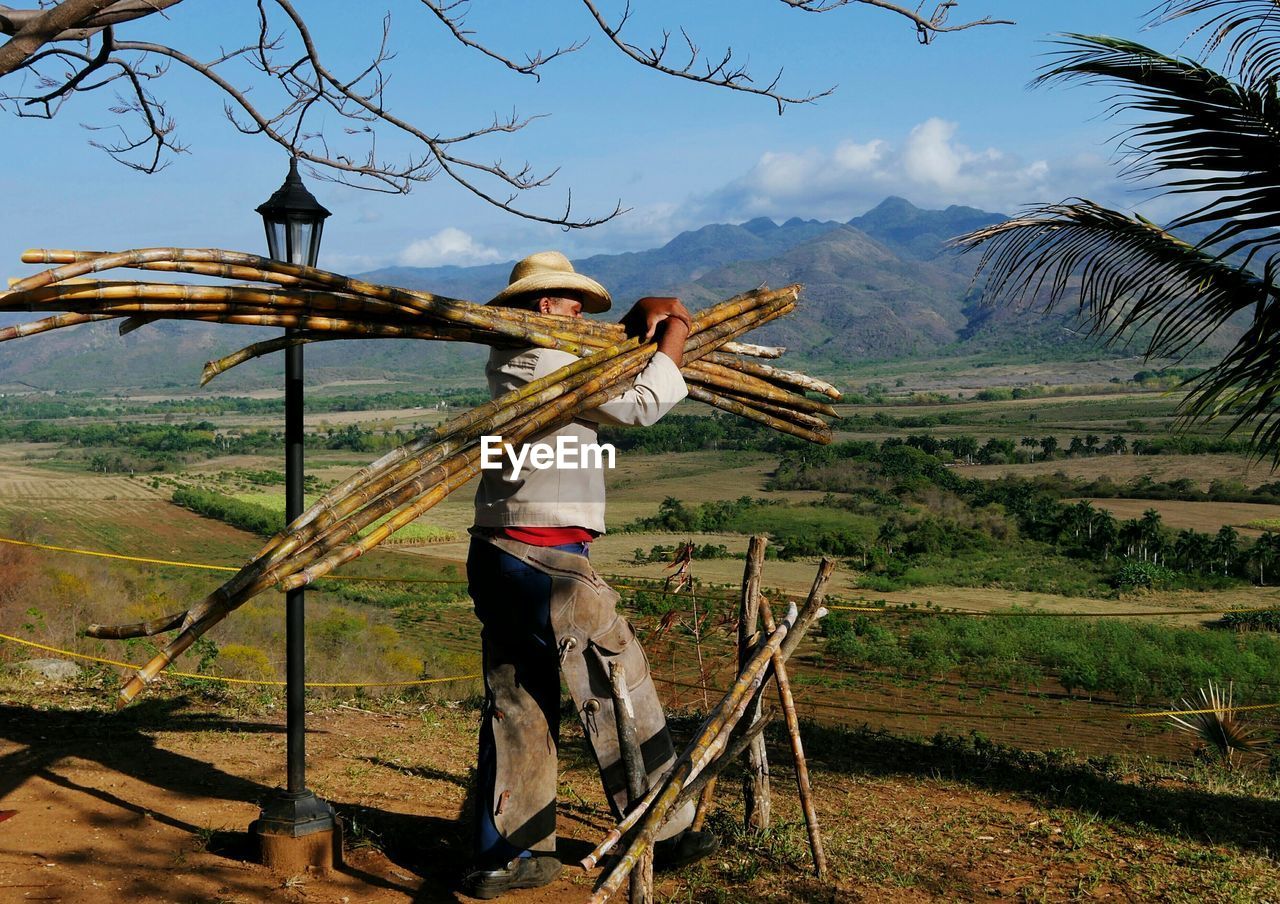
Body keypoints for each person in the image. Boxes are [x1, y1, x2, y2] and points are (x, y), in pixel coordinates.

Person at [462, 251, 719, 899]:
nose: (581, 312)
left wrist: (636, 331)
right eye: (572, 303)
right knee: (615, 677)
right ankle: (664, 829)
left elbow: (610, 374)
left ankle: (515, 854)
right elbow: (639, 405)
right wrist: (677, 331)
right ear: (546, 306)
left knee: (520, 702)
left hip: (507, 550)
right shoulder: (540, 360)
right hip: (540, 558)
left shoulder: (528, 357)